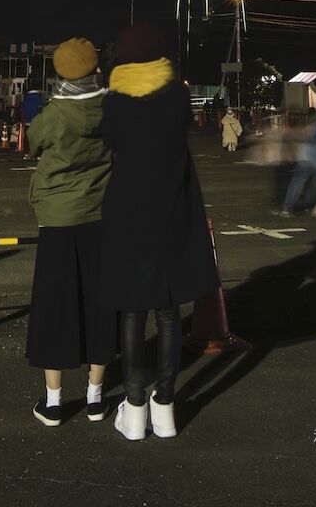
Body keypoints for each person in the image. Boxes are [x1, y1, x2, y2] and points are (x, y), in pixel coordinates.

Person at [99, 23, 219, 442]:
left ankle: (133, 408)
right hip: (171, 214)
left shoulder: (114, 104)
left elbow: (110, 142)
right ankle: (164, 405)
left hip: (127, 217)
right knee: (168, 311)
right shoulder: (177, 98)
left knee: (131, 311)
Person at [25, 37, 115, 427]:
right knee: (100, 301)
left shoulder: (54, 114)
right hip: (100, 212)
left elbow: (32, 143)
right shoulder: (111, 108)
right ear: (96, 68)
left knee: (55, 305)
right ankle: (96, 397)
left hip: (58, 218)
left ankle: (55, 401)